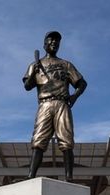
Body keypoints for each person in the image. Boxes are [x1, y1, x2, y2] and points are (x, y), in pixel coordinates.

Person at [23, 30, 87, 181]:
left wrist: (74, 96)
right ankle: (31, 175)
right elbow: (27, 86)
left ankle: (69, 177)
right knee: (38, 140)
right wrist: (34, 72)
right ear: (44, 44)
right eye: (50, 40)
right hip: (45, 104)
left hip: (62, 103)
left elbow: (82, 83)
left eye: (56, 41)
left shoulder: (65, 64)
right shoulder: (35, 64)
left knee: (66, 141)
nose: (54, 43)